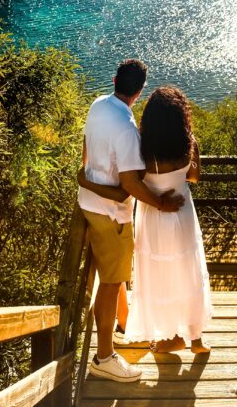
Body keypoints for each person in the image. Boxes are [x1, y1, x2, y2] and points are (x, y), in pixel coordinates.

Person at [80, 84, 211, 354]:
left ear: (150, 118)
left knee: (160, 275)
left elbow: (130, 183)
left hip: (154, 215)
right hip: (183, 211)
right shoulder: (189, 143)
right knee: (188, 269)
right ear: (181, 116)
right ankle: (195, 337)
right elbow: (194, 177)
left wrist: (85, 179)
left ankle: (169, 337)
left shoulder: (143, 149)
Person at [79, 59, 185, 383]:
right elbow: (130, 184)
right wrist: (162, 204)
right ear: (138, 92)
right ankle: (104, 357)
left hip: (90, 206)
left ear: (114, 80)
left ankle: (123, 331)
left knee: (117, 276)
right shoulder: (126, 129)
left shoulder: (99, 105)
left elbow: (86, 147)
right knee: (111, 284)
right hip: (111, 215)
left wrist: (87, 177)